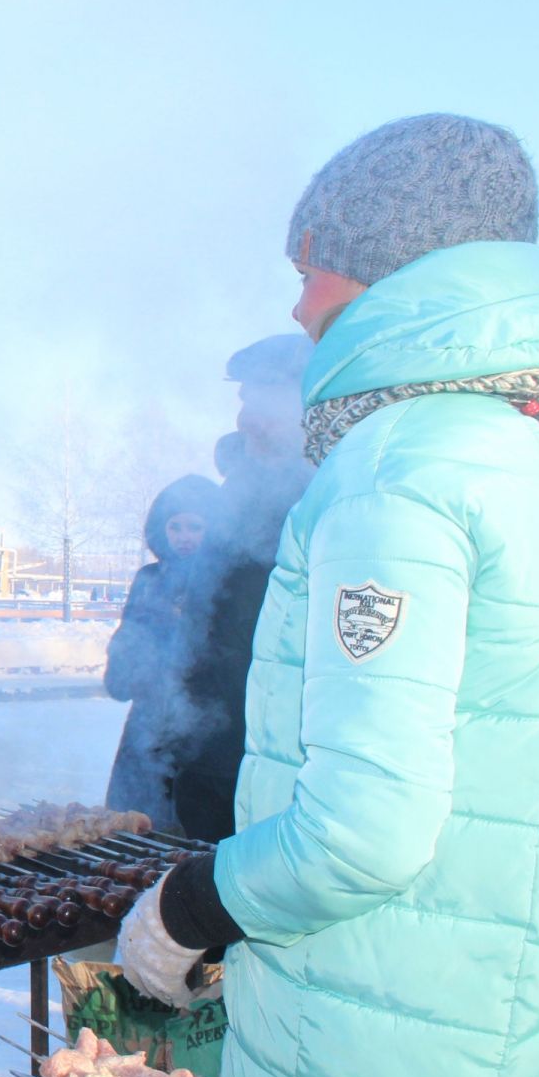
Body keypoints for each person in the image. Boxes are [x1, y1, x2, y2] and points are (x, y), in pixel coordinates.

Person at [115, 114, 539, 1077]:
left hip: (373, 1074)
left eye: (307, 265)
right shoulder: (528, 444)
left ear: (384, 263)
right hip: (489, 1050)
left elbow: (364, 826)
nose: (299, 306)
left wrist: (187, 909)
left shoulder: (405, 471)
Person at [170, 334, 316, 841]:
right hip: (212, 751)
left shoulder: (330, 497)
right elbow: (207, 621)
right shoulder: (239, 493)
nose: (246, 420)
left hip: (286, 767)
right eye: (245, 400)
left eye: (266, 401)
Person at [101, 474, 219, 831]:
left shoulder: (221, 578)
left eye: (195, 527)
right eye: (176, 527)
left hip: (201, 719)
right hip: (148, 716)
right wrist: (123, 666)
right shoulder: (149, 578)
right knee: (133, 818)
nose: (184, 536)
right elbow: (129, 632)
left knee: (186, 825)